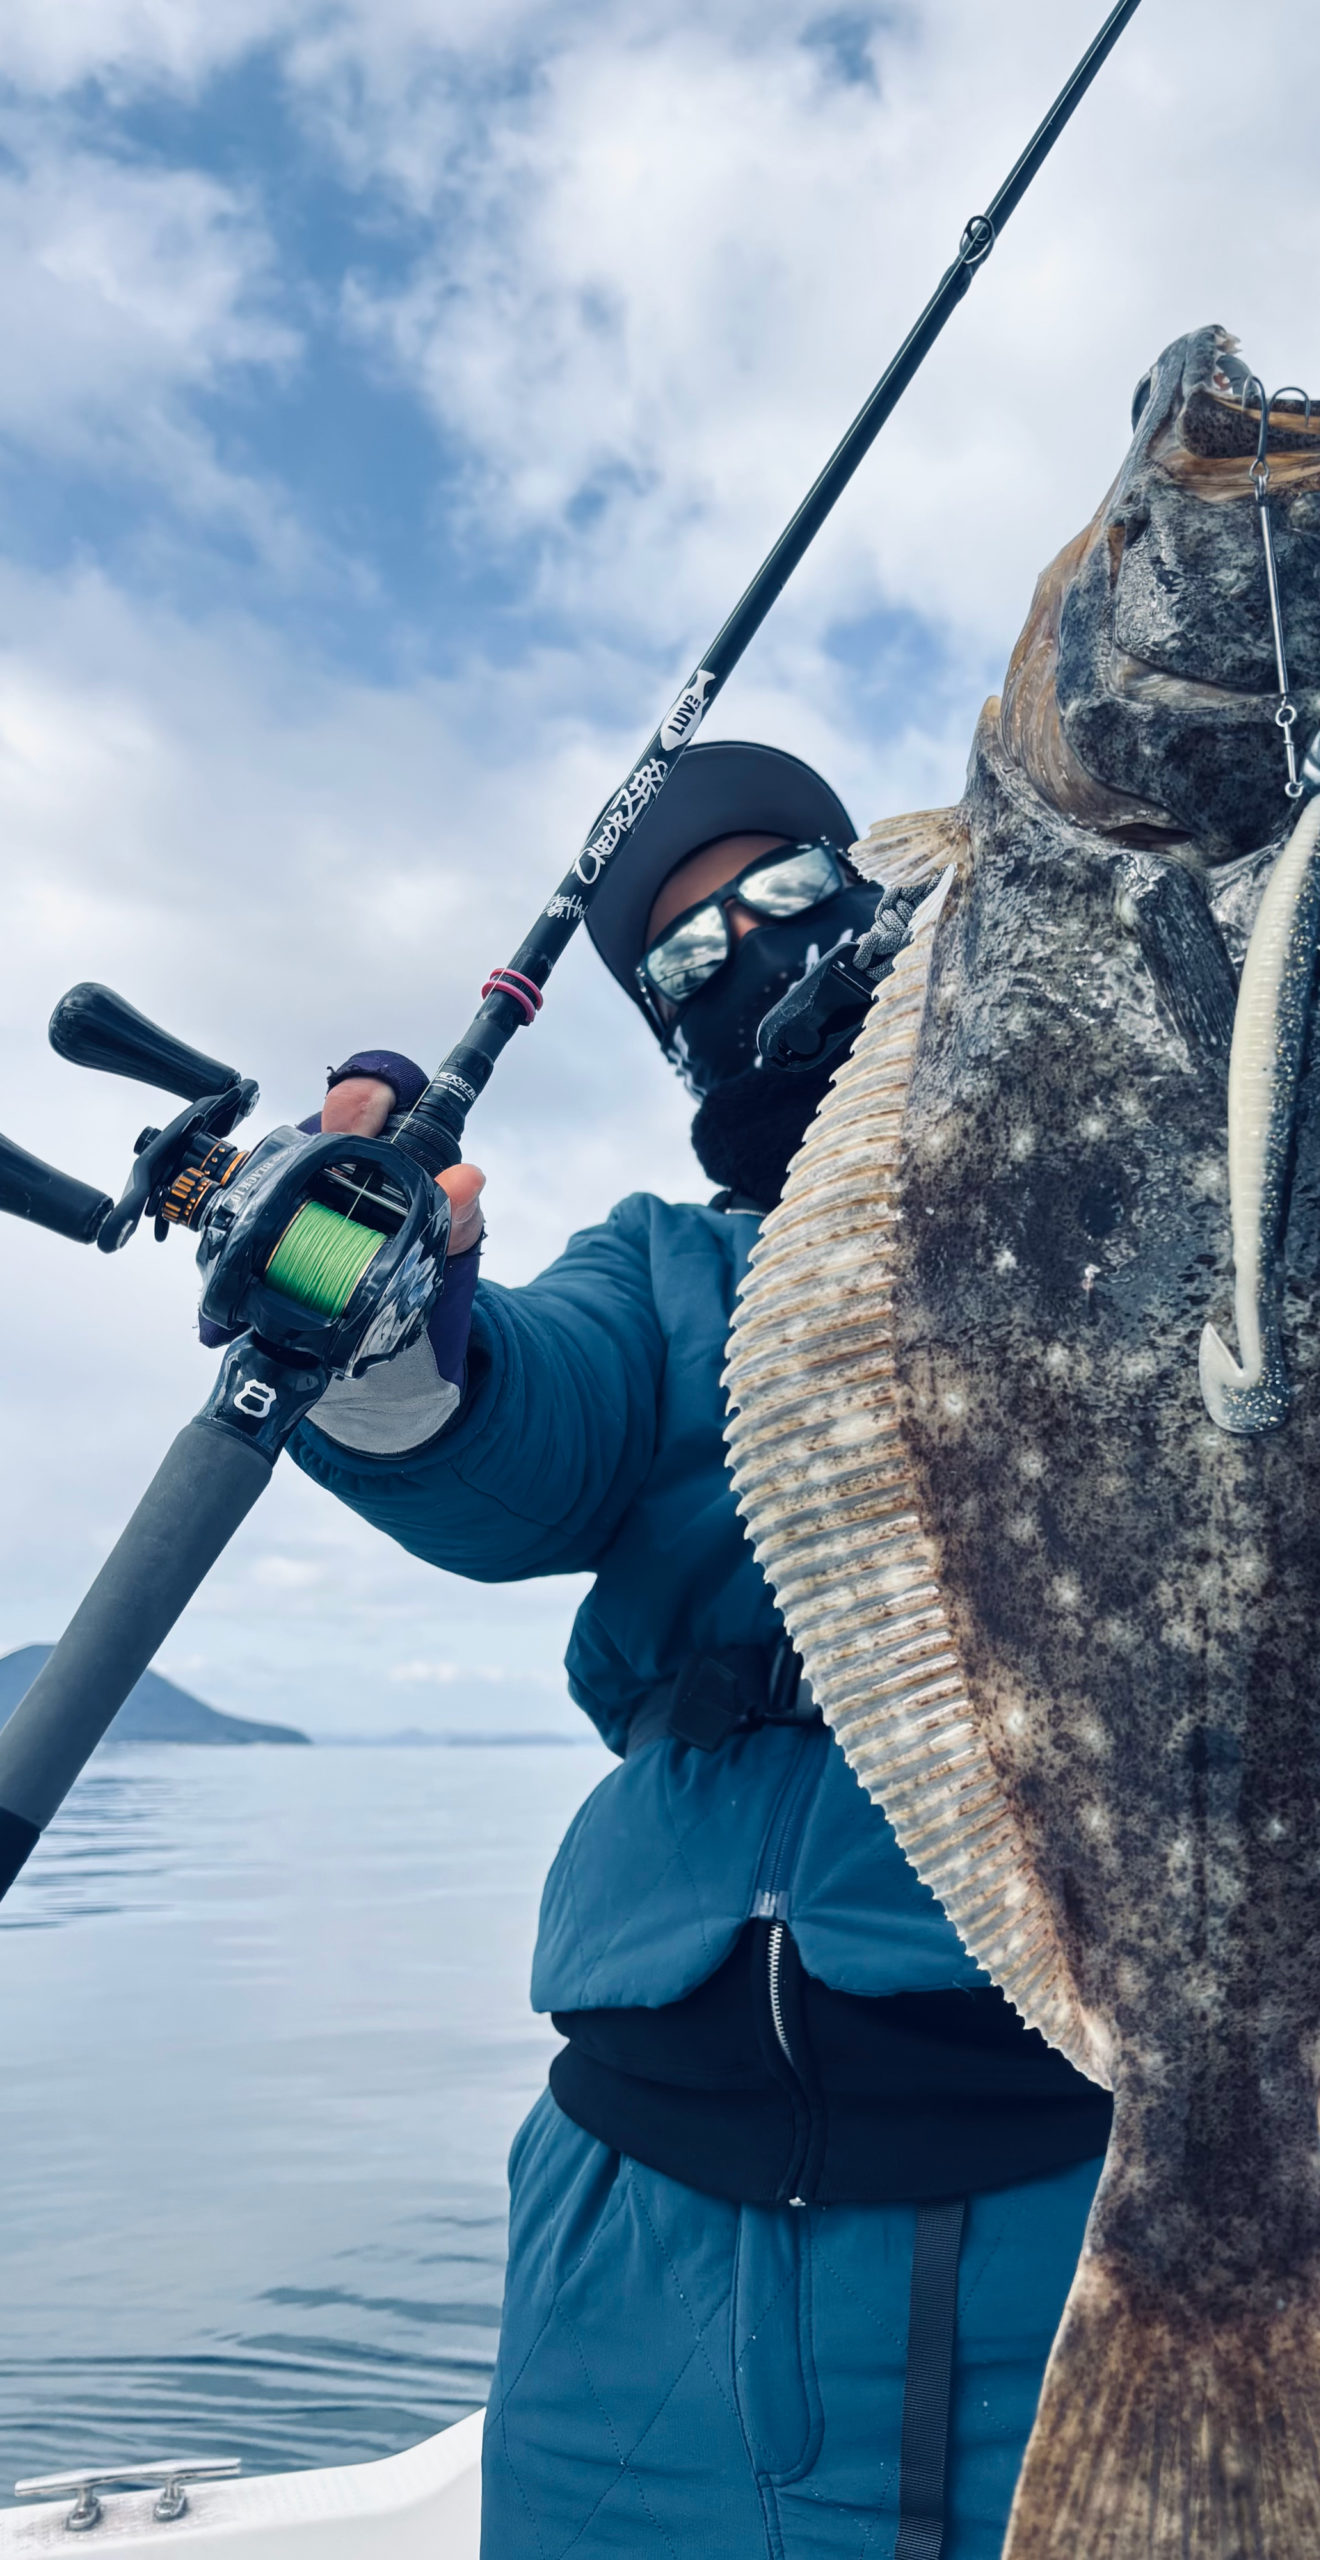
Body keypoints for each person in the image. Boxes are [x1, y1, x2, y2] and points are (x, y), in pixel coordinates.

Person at [282, 741, 1110, 2560]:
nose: (743, 945)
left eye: (787, 889)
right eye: (683, 950)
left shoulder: (1103, 1225)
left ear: (881, 892)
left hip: (1050, 2206)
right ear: (669, 1035)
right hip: (626, 2225)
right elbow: (512, 1439)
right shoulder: (667, 1273)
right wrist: (373, 1313)